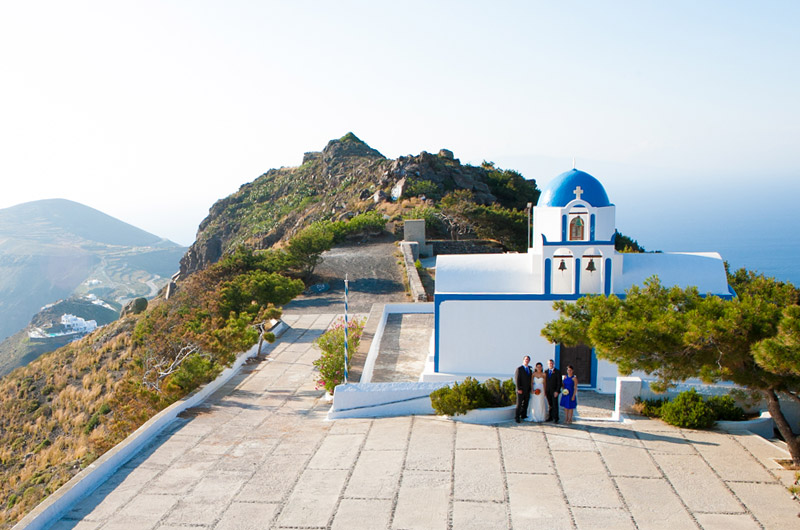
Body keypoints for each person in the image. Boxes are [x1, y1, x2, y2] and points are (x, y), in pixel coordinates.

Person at [514, 355, 533, 423]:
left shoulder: (530, 369)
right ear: (523, 360)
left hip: (527, 390)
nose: (526, 360)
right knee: (519, 404)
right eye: (525, 359)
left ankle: (523, 415)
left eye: (528, 359)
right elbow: (517, 379)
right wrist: (519, 388)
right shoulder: (519, 369)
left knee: (526, 403)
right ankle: (517, 417)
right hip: (521, 390)